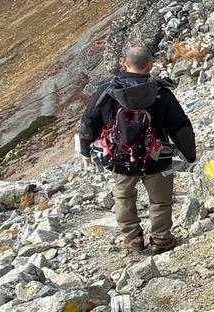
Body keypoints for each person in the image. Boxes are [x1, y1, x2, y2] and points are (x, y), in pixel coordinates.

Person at [77, 43, 197, 253]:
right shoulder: (161, 92)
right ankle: (161, 240)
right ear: (150, 65)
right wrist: (190, 155)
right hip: (156, 158)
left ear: (124, 63)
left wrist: (85, 151)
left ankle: (132, 239)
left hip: (121, 158)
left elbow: (89, 122)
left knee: (123, 198)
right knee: (160, 201)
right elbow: (179, 125)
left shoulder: (107, 91)